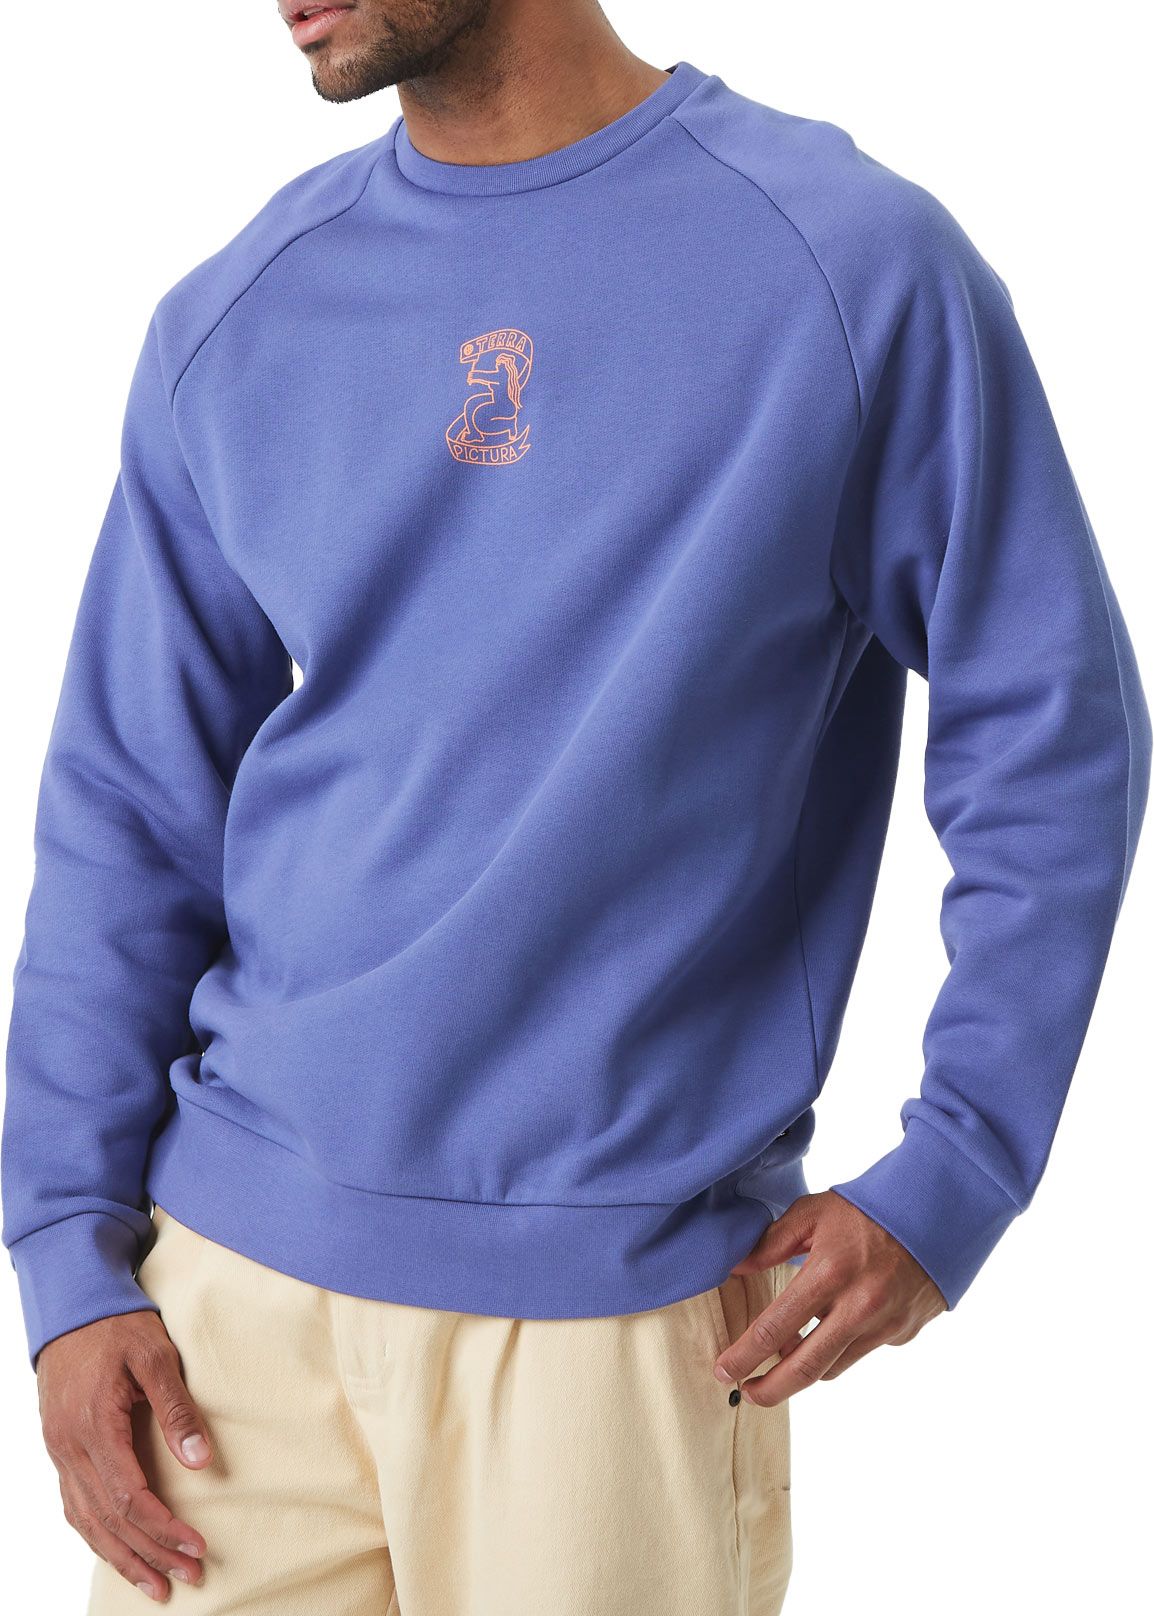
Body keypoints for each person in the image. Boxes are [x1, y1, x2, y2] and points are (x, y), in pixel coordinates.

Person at [3, 2, 1148, 1611]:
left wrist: (957, 1170)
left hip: (614, 1316)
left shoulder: (847, 265)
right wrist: (65, 1252)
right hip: (224, 1309)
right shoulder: (242, 310)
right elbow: (126, 808)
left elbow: (1052, 729)